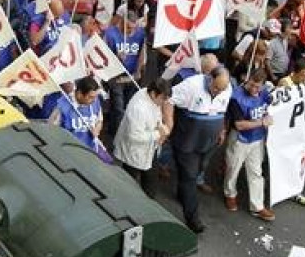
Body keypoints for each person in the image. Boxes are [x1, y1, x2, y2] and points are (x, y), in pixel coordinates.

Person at [165, 66, 233, 233]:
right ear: (209, 77)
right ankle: (193, 218)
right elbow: (168, 99)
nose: (217, 92)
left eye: (221, 89)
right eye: (215, 87)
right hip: (188, 141)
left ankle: (183, 193)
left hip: (209, 142)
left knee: (197, 170)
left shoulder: (227, 87)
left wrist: (222, 129)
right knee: (190, 177)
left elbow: (223, 109)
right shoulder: (191, 85)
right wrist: (169, 124)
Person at [224, 69, 275, 221]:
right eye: (252, 85)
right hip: (240, 139)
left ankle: (257, 205)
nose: (254, 90)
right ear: (247, 80)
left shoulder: (265, 92)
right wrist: (262, 122)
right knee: (233, 168)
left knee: (256, 172)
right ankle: (230, 193)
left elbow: (276, 102)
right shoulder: (236, 97)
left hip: (257, 138)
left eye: (258, 87)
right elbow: (239, 125)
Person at [113, 78, 171, 199]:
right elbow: (134, 136)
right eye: (163, 98)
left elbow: (156, 115)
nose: (164, 102)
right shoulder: (138, 109)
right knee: (127, 183)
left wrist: (160, 126)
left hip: (149, 150)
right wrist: (158, 134)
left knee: (150, 185)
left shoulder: (150, 95)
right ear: (154, 94)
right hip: (134, 152)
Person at [103, 11, 146, 137]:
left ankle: (114, 128)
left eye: (133, 28)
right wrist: (115, 57)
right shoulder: (110, 33)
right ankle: (117, 135)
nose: (130, 30)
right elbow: (103, 55)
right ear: (121, 22)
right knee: (118, 107)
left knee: (128, 106)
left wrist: (138, 71)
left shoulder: (140, 33)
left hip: (132, 75)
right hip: (116, 76)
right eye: (127, 27)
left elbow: (142, 53)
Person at [51, 76, 108, 161]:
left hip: (90, 150)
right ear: (80, 94)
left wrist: (96, 130)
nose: (94, 100)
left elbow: (99, 120)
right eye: (90, 97)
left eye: (95, 97)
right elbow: (52, 129)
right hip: (69, 152)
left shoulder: (95, 102)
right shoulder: (63, 106)